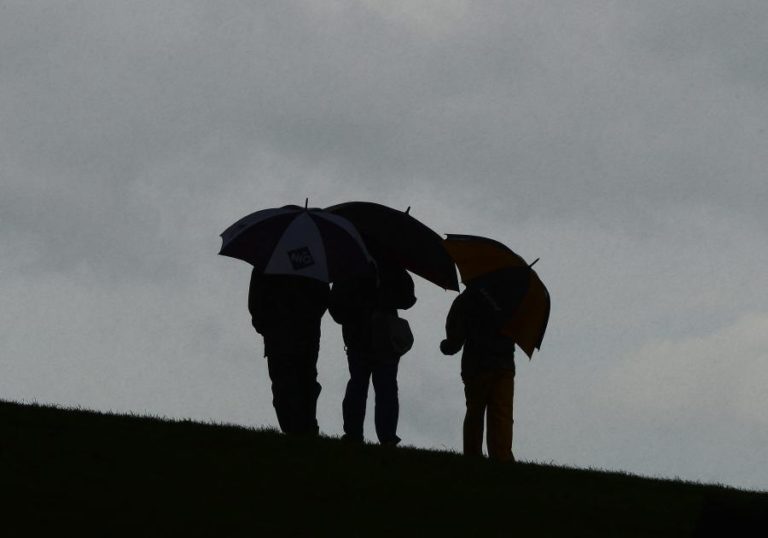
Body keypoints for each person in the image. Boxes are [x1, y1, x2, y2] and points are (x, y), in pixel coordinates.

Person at [329, 257, 416, 446]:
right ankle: (386, 437)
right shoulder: (391, 264)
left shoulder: (350, 263)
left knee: (360, 385)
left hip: (360, 336)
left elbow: (336, 308)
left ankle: (355, 434)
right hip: (380, 337)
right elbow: (408, 298)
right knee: (385, 388)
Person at [439, 286, 516, 462]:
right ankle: (501, 456)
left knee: (475, 410)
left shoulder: (467, 298)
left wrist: (447, 346)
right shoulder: (512, 297)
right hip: (504, 363)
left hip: (476, 363)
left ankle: (473, 455)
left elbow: (455, 336)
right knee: (502, 412)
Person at [248, 270, 330, 436]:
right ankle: (303, 428)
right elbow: (323, 297)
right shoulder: (315, 262)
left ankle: (299, 428)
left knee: (291, 382)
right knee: (299, 381)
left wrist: (264, 324)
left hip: (287, 333)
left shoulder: (268, 262)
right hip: (298, 332)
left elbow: (255, 301)